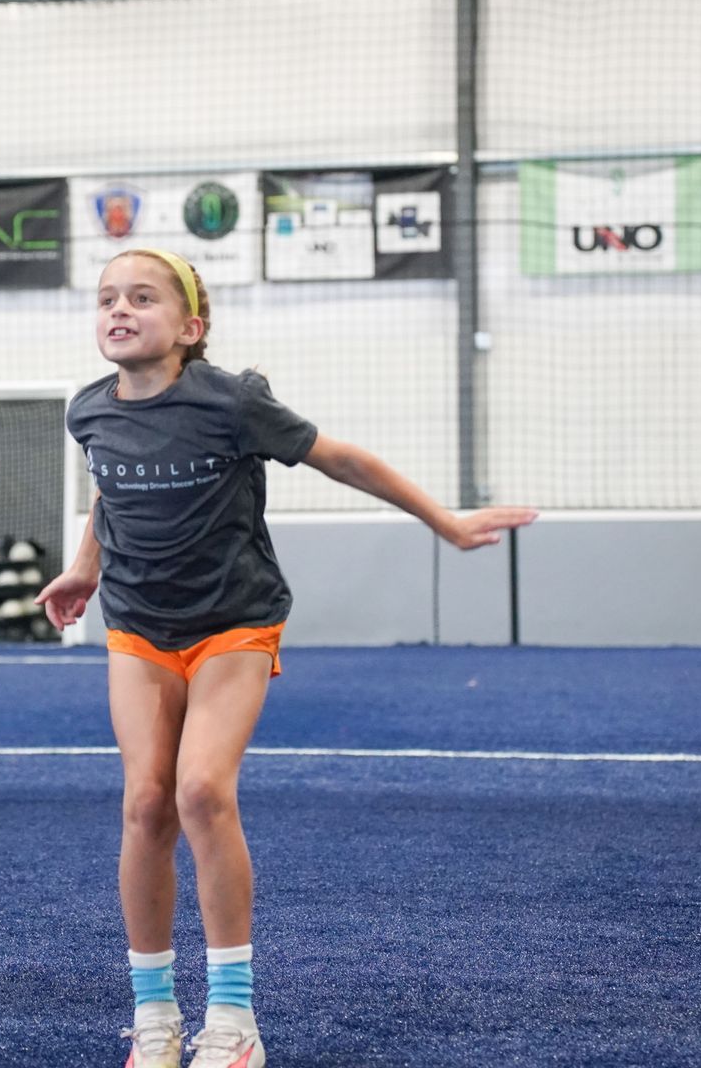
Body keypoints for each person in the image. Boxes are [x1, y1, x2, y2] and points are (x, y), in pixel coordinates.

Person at [36, 250, 536, 1067]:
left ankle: (233, 1023)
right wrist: (85, 567)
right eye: (105, 299)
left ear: (190, 328)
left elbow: (341, 457)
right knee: (145, 806)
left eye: (142, 298)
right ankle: (155, 1016)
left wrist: (442, 520)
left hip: (234, 622)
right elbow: (109, 489)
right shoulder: (88, 410)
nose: (118, 310)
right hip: (137, 627)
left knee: (200, 789)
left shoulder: (232, 403)